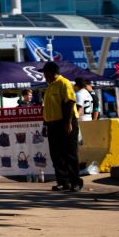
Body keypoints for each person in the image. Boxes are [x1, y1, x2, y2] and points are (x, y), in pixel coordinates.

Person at [42, 61, 81, 192]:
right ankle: (63, 182)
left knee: (70, 154)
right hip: (52, 125)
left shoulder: (64, 83)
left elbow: (70, 102)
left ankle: (75, 182)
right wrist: (45, 124)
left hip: (65, 123)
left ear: (52, 73)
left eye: (45, 73)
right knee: (56, 155)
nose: (44, 76)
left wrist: (68, 122)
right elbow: (48, 108)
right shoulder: (50, 86)